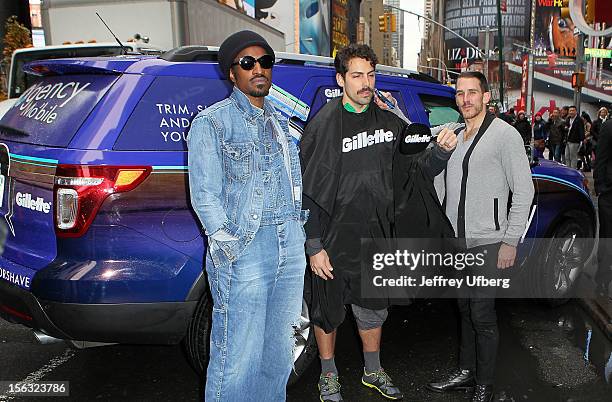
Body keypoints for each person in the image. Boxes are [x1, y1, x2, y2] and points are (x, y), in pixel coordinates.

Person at [300, 43, 457, 402]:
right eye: (357, 75)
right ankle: (328, 375)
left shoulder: (388, 123)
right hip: (333, 238)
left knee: (373, 307)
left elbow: (417, 174)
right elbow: (307, 191)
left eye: (370, 75)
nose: (365, 82)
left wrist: (441, 153)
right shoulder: (323, 125)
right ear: (341, 79)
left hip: (377, 236)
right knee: (327, 311)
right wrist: (314, 246)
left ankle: (373, 370)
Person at [187, 30, 307, 402]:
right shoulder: (213, 122)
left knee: (278, 352)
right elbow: (204, 195)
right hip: (246, 246)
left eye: (265, 61)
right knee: (236, 354)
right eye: (247, 63)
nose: (259, 69)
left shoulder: (283, 122)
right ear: (232, 74)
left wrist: (299, 234)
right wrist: (227, 243)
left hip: (290, 241)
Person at [427, 71, 534, 402]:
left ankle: (484, 384)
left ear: (486, 97)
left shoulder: (505, 135)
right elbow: (417, 142)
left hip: (489, 242)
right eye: (460, 94)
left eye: (472, 93)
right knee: (464, 310)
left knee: (482, 315)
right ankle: (466, 371)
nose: (465, 99)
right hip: (458, 242)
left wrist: (510, 240)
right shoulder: (454, 133)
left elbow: (525, 190)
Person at [594, 119, 612, 299]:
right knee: (608, 237)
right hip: (610, 194)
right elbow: (601, 158)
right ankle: (603, 280)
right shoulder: (609, 126)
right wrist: (600, 187)